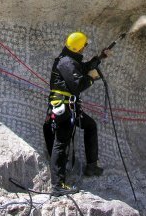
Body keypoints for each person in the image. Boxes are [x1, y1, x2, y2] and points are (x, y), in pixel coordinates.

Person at [44, 31, 110, 196]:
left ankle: (91, 166)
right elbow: (78, 85)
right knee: (61, 143)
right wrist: (91, 78)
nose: (84, 49)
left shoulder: (68, 58)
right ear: (79, 48)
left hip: (69, 107)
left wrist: (100, 58)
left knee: (90, 126)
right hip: (64, 109)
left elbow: (82, 67)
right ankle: (57, 185)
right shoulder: (66, 62)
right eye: (84, 46)